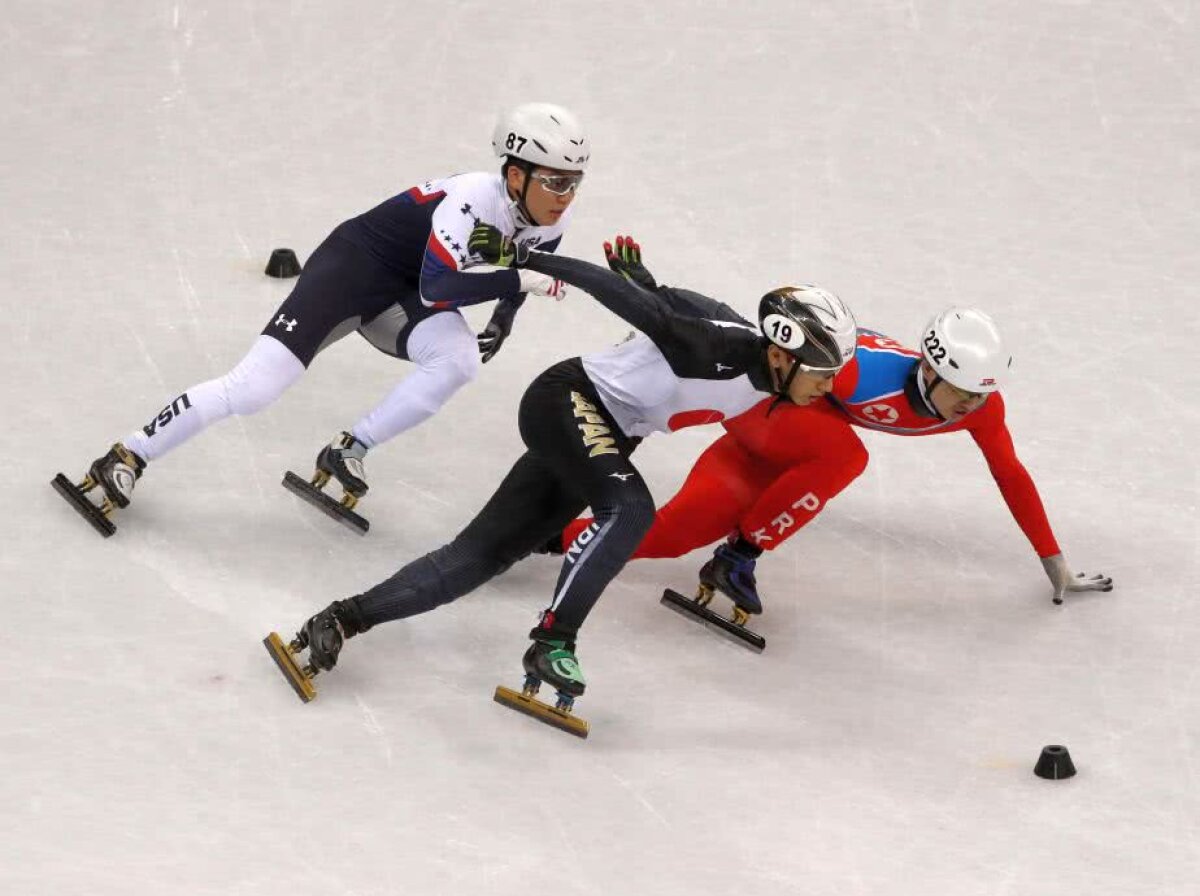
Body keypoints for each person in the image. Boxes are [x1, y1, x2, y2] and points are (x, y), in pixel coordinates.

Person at [264, 231, 858, 724]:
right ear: (783, 352)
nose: (829, 387)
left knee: (478, 557)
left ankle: (339, 619)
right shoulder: (710, 348)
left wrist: (651, 282)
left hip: (603, 434)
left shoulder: (743, 345)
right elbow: (620, 300)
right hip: (566, 399)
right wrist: (522, 257)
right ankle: (554, 640)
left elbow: (683, 302)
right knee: (629, 509)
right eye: (824, 372)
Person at [53, 103, 589, 534]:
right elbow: (443, 285)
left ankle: (347, 450)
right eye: (556, 182)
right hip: (354, 269)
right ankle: (127, 454)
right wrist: (521, 283)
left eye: (574, 183)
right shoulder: (474, 197)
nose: (566, 197)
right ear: (516, 174)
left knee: (459, 360)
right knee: (254, 388)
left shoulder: (543, 221)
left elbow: (521, 265)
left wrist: (504, 317)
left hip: (404, 290)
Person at [557, 245, 1112, 613]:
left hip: (789, 452)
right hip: (768, 417)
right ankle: (739, 557)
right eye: (962, 392)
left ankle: (540, 537)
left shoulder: (982, 408)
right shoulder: (858, 371)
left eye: (981, 395)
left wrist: (1053, 561)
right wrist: (655, 292)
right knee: (847, 456)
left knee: (666, 537)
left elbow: (1009, 473)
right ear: (928, 367)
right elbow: (756, 338)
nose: (970, 406)